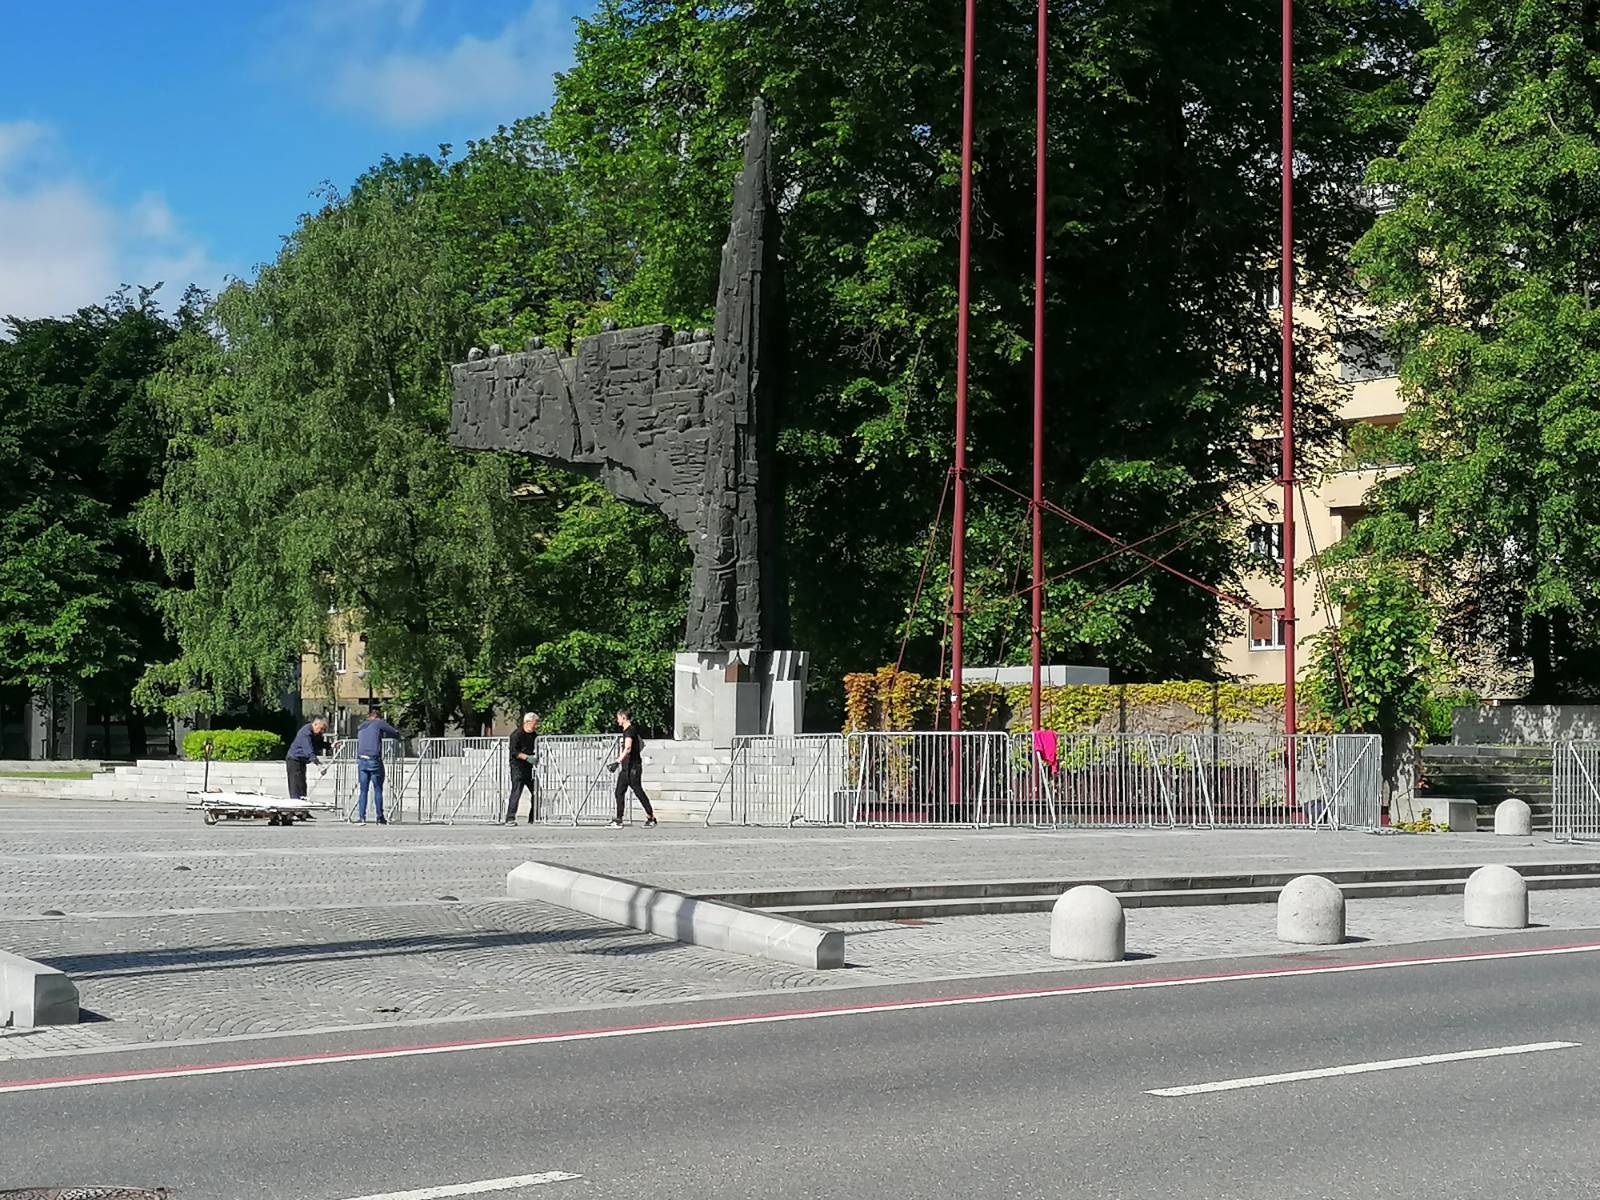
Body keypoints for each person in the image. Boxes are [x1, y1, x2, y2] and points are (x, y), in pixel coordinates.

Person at [356, 706, 406, 825]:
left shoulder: (361, 726)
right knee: (378, 788)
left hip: (361, 759)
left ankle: (361, 816)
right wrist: (400, 738)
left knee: (363, 790)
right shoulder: (378, 723)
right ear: (377, 717)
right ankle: (379, 816)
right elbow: (394, 732)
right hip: (374, 759)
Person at [609, 709, 656, 829]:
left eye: (618, 717)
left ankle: (651, 817)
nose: (617, 720)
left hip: (633, 768)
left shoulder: (629, 731)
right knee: (619, 792)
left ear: (623, 717)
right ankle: (619, 819)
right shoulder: (628, 731)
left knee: (638, 792)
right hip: (627, 768)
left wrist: (617, 761)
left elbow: (628, 748)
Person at [506, 711, 541, 824]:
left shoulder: (534, 736)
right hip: (518, 767)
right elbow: (514, 752)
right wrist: (526, 757)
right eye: (535, 723)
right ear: (527, 722)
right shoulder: (516, 735)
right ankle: (510, 818)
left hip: (530, 768)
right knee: (516, 792)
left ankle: (533, 817)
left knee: (536, 791)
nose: (536, 726)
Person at [285, 716, 329, 803]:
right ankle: (295, 810)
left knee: (302, 785)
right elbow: (309, 750)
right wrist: (319, 765)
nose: (322, 731)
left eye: (324, 730)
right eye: (321, 729)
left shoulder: (316, 734)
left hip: (302, 761)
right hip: (294, 759)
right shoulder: (305, 733)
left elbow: (319, 744)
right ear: (315, 724)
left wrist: (330, 745)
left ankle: (303, 809)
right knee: (295, 785)